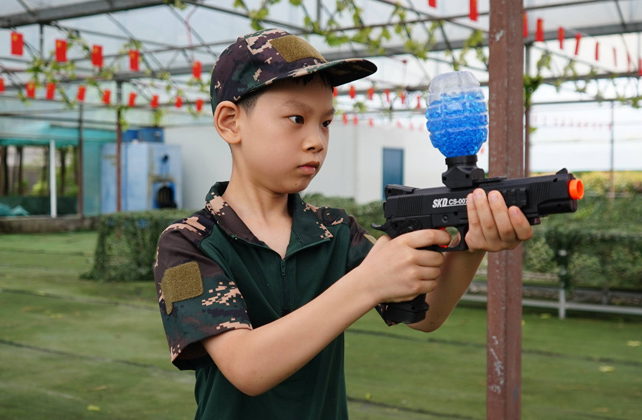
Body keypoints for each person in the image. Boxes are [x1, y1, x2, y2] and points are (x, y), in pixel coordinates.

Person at [153, 28, 533, 420]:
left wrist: (470, 240)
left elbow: (425, 315)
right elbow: (247, 367)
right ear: (230, 122)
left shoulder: (333, 230)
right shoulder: (187, 245)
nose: (316, 140)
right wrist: (368, 282)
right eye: (296, 118)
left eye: (326, 123)